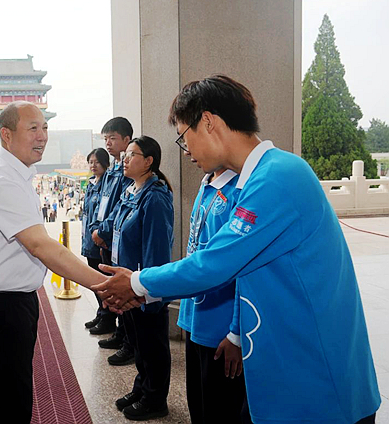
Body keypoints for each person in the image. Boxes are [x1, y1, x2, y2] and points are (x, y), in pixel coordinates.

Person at [94, 75, 381, 424]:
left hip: (320, 383)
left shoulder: (279, 176)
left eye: (184, 136)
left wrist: (137, 283)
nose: (187, 150)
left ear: (208, 122)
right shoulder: (252, 180)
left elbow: (213, 263)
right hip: (286, 371)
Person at [0, 101, 112, 424]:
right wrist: (103, 285)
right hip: (0, 305)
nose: (42, 136)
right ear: (6, 135)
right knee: (13, 403)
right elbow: (41, 245)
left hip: (10, 299)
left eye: (44, 127)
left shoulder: (15, 174)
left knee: (5, 396)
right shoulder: (1, 180)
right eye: (33, 128)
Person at [109, 136, 174, 420]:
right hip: (128, 284)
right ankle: (142, 387)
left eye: (132, 154)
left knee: (152, 345)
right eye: (126, 154)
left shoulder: (155, 197)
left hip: (144, 288)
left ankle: (155, 399)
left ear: (149, 161)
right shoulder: (131, 190)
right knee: (138, 343)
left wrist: (148, 291)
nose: (125, 159)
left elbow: (156, 250)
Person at [179, 167, 247, 424]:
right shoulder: (206, 183)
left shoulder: (240, 190)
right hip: (195, 316)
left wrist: (236, 333)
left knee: (220, 409)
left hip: (222, 330)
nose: (187, 150)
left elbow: (243, 270)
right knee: (198, 403)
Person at [90, 117, 134, 366]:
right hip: (106, 238)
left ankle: (128, 341)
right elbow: (102, 206)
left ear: (126, 140)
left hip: (114, 238)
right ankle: (120, 332)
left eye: (113, 138)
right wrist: (97, 230)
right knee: (113, 288)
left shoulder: (128, 172)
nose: (108, 143)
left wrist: (104, 232)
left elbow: (120, 207)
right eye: (105, 138)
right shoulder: (113, 170)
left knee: (123, 291)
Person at [81, 149, 111, 329]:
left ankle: (107, 318)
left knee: (102, 281)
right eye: (90, 162)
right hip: (88, 240)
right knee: (94, 281)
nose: (93, 165)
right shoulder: (91, 183)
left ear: (105, 163)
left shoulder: (107, 185)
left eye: (97, 162)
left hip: (99, 241)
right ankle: (101, 312)